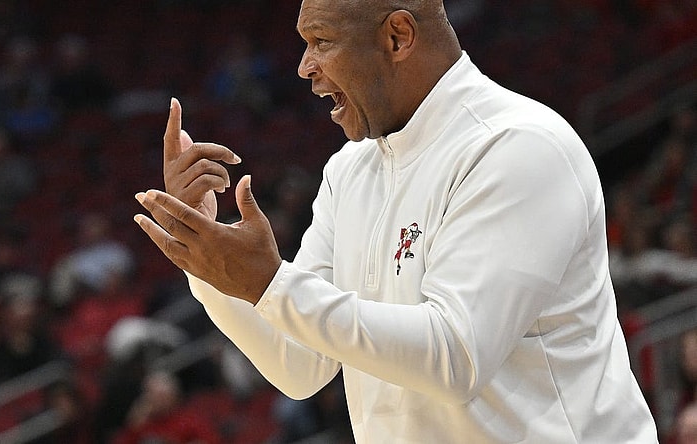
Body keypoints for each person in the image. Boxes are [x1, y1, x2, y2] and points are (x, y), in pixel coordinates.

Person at [133, 0, 658, 442]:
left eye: (321, 41)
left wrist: (270, 283)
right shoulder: (349, 169)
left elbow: (455, 356)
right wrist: (207, 263)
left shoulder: (516, 146)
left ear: (398, 35)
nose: (304, 67)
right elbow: (300, 364)